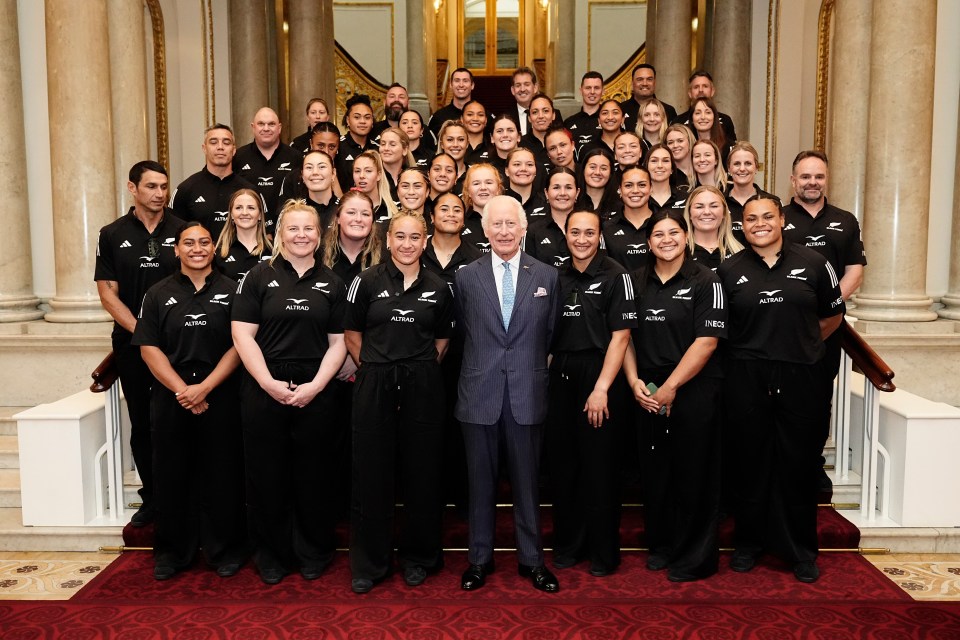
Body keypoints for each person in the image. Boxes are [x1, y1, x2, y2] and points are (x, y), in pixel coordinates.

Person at [717, 195, 845, 584]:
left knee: (799, 465)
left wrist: (800, 344)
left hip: (801, 377)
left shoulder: (814, 263)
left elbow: (832, 315)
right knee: (750, 464)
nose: (759, 224)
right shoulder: (728, 270)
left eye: (767, 217)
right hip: (746, 377)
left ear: (781, 220)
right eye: (751, 218)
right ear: (742, 224)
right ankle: (749, 544)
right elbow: (721, 330)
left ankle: (800, 550)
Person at [231, 199, 348, 585]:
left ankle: (314, 550)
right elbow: (242, 335)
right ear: (279, 233)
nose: (301, 235)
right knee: (267, 475)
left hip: (317, 388)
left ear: (320, 235)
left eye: (309, 229)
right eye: (293, 228)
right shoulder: (258, 276)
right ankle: (272, 555)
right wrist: (268, 383)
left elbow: (339, 342)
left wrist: (316, 386)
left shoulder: (333, 282)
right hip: (265, 385)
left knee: (315, 475)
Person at [344, 210, 455, 593]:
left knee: (423, 474)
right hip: (374, 382)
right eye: (400, 237)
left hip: (423, 385)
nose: (407, 244)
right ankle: (370, 563)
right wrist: (376, 369)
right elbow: (352, 334)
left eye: (415, 238)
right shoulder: (365, 281)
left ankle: (419, 558)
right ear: (388, 240)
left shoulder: (439, 287)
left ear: (424, 242)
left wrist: (415, 371)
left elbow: (442, 341)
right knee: (371, 475)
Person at [455, 195, 561, 594]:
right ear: (484, 230)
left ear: (523, 229)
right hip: (478, 394)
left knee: (527, 483)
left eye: (509, 225)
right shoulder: (466, 277)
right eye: (495, 224)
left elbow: (550, 333)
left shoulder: (547, 277)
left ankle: (532, 561)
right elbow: (464, 332)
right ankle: (479, 560)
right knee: (479, 485)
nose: (503, 231)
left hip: (526, 393)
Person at [132, 222, 246, 580]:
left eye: (204, 242)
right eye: (189, 243)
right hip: (172, 396)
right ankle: (172, 553)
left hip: (221, 394)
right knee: (172, 474)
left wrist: (205, 388)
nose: (197, 248)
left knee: (223, 474)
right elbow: (149, 348)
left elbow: (240, 345)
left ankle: (223, 549)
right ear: (176, 250)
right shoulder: (156, 293)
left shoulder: (233, 290)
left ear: (214, 248)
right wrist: (184, 390)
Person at [622, 209, 728, 582]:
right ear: (648, 242)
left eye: (673, 233)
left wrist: (672, 387)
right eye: (658, 235)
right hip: (647, 391)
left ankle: (694, 557)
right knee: (657, 473)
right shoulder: (634, 281)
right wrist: (634, 381)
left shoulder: (706, 280)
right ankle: (662, 545)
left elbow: (707, 342)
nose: (666, 240)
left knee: (694, 473)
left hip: (694, 387)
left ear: (686, 237)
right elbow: (625, 338)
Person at [95, 160, 185, 528]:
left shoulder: (183, 230)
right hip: (132, 344)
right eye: (151, 186)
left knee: (178, 417)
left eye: (164, 186)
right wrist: (144, 332)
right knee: (143, 423)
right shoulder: (112, 233)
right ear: (133, 189)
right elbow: (107, 293)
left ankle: (185, 494)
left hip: (180, 342)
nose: (159, 193)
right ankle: (153, 497)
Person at [547, 209, 635, 577]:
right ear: (565, 235)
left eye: (589, 233)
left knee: (600, 468)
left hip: (601, 375)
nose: (581, 239)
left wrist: (601, 388)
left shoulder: (617, 275)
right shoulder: (554, 276)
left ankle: (603, 552)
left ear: (600, 236)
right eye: (574, 232)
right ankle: (568, 545)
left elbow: (622, 337)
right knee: (563, 466)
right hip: (561, 376)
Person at [782, 150, 867, 492]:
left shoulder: (845, 220)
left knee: (818, 397)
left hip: (826, 328)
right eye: (805, 176)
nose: (812, 183)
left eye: (818, 176)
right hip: (783, 327)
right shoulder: (777, 216)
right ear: (793, 180)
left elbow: (854, 271)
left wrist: (828, 306)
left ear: (826, 179)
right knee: (782, 396)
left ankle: (812, 464)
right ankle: (781, 462)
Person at [420, 192, 483, 517]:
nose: (450, 213)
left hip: (466, 356)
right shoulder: (416, 253)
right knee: (427, 428)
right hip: (422, 355)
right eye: (443, 208)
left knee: (463, 428)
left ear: (465, 217)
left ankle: (462, 498)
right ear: (432, 216)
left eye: (457, 209)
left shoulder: (477, 259)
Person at [172, 123, 254, 241]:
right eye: (213, 142)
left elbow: (262, 234)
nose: (220, 147)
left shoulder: (248, 190)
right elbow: (174, 233)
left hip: (241, 258)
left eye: (226, 142)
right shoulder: (186, 189)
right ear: (204, 148)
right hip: (200, 257)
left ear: (234, 150)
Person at [233, 107, 300, 229]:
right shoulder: (238, 157)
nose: (266, 128)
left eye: (271, 124)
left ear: (279, 128)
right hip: (249, 230)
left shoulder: (296, 157)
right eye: (261, 124)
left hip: (287, 229)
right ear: (253, 127)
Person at [524, 167, 579, 268]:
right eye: (556, 187)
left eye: (568, 187)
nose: (562, 193)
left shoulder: (589, 227)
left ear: (577, 193)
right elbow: (527, 269)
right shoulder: (533, 231)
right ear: (546, 193)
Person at [214, 188, 273, 282]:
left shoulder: (274, 250)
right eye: (238, 208)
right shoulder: (218, 252)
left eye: (251, 208)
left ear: (260, 215)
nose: (244, 213)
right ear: (232, 215)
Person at [726, 141, 779, 243]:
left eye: (748, 163)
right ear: (729, 169)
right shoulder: (718, 202)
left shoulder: (772, 201)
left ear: (756, 168)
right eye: (737, 164)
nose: (742, 169)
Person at [602, 165, 654, 271]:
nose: (635, 190)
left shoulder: (663, 224)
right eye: (628, 185)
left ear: (651, 188)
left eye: (642, 185)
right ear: (620, 190)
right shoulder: (607, 228)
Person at [683, 185, 743, 271]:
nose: (707, 212)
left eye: (714, 206)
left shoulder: (738, 252)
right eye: (699, 207)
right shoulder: (680, 252)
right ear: (689, 214)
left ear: (724, 213)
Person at [675, 71, 737, 142]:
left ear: (712, 91)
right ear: (689, 93)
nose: (701, 90)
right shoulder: (678, 122)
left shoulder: (725, 120)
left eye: (705, 86)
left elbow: (732, 148)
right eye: (696, 87)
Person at [336, 94, 378, 190]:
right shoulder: (338, 146)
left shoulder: (378, 148)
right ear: (348, 120)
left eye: (367, 117)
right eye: (357, 117)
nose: (362, 121)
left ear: (372, 121)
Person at [353, 150, 399, 232]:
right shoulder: (347, 209)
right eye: (357, 171)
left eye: (368, 171)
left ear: (378, 175)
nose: (362, 176)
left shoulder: (393, 212)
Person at [619, 64, 677, 130]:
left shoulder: (668, 110)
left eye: (649, 79)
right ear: (632, 83)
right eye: (640, 79)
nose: (645, 83)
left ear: (655, 82)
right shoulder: (621, 110)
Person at [461, 163, 503, 254]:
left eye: (489, 182)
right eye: (476, 183)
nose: (483, 188)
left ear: (498, 189)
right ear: (468, 191)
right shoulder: (459, 223)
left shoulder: (509, 220)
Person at [510, 67, 561, 136]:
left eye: (527, 84)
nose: (522, 89)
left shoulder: (554, 114)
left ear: (535, 88)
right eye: (518, 85)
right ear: (513, 90)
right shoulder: (507, 117)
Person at [429, 67, 477, 138]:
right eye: (457, 81)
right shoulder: (438, 117)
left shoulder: (483, 116)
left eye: (465, 81)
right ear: (451, 85)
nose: (461, 85)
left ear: (472, 85)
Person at [298, 150, 339, 231]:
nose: (315, 172)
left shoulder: (345, 209)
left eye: (322, 167)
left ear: (333, 173)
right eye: (309, 167)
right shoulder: (293, 212)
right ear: (302, 175)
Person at [575, 147, 619, 221]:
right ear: (583, 170)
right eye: (592, 167)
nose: (597, 172)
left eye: (603, 168)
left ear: (611, 173)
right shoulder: (572, 203)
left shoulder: (620, 207)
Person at [504, 147, 548, 219]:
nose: (523, 169)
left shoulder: (547, 202)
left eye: (529, 165)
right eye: (517, 164)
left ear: (535, 170)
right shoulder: (497, 202)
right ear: (506, 171)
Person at [564, 71, 604, 149]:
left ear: (603, 91)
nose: (592, 92)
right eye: (588, 88)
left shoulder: (608, 121)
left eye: (596, 88)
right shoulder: (569, 122)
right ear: (581, 90)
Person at [519, 94, 557, 174]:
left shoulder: (562, 142)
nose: (540, 116)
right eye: (535, 112)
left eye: (545, 111)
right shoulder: (520, 145)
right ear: (529, 118)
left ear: (553, 115)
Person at [645, 144, 687, 212]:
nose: (660, 165)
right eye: (654, 161)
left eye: (665, 161)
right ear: (646, 167)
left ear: (672, 169)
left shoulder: (686, 198)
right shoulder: (640, 199)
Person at [689, 98, 732, 162]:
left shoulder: (728, 147)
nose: (703, 117)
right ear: (692, 119)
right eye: (698, 113)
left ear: (714, 117)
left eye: (708, 112)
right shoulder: (687, 147)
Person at [378, 127, 416, 199]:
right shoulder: (374, 177)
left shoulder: (415, 177)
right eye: (383, 144)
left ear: (404, 149)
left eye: (392, 145)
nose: (386, 148)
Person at [437, 120, 470, 186]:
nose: (455, 144)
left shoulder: (474, 174)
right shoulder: (433, 175)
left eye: (461, 139)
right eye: (450, 140)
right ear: (442, 144)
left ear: (467, 144)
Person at [665, 124, 696, 192]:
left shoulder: (701, 169)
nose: (675, 145)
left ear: (689, 142)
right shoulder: (665, 174)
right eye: (670, 143)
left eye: (680, 141)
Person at [462, 100, 492, 165]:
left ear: (486, 120)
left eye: (480, 115)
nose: (475, 119)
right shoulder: (455, 147)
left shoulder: (494, 148)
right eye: (470, 114)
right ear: (461, 119)